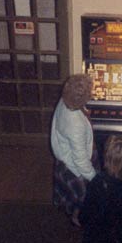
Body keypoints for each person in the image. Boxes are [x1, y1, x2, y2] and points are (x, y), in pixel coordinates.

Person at [50, 73, 99, 227]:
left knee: (75, 196)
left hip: (66, 155)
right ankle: (78, 218)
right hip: (75, 167)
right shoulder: (75, 124)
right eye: (90, 92)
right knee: (85, 197)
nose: (92, 93)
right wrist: (95, 178)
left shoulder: (65, 99)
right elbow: (80, 160)